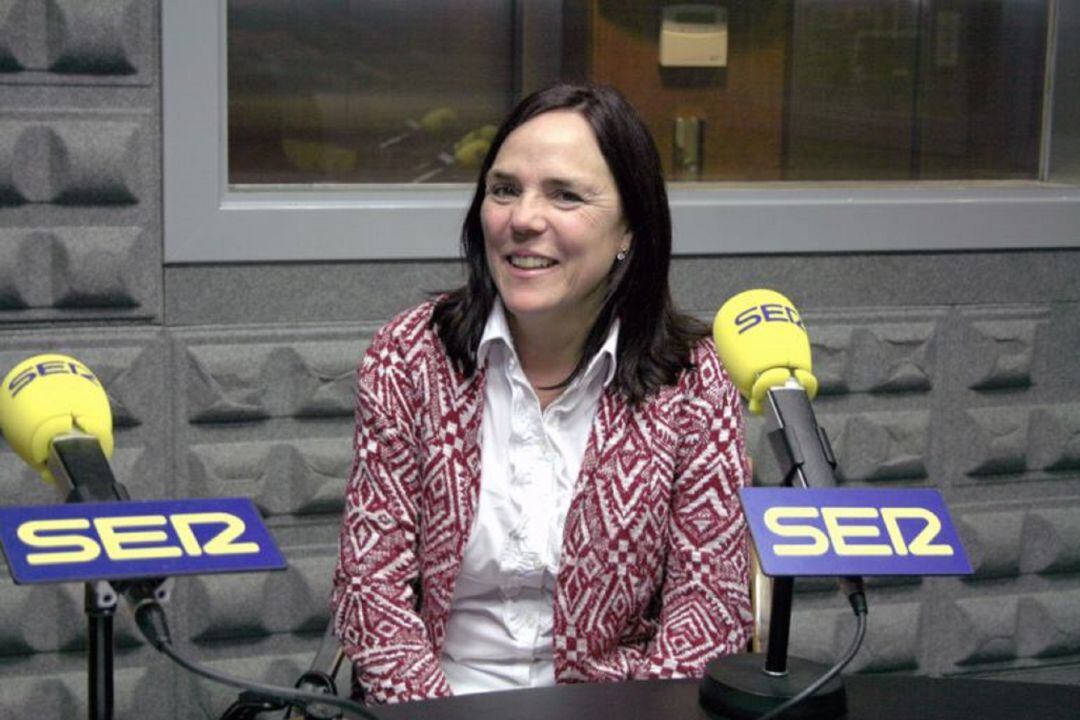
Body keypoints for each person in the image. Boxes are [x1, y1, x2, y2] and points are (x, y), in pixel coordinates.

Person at [331, 83, 752, 705]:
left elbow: (709, 614)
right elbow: (371, 590)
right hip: (436, 704)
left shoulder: (693, 379)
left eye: (565, 195)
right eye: (505, 189)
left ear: (630, 228)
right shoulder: (411, 355)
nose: (523, 219)